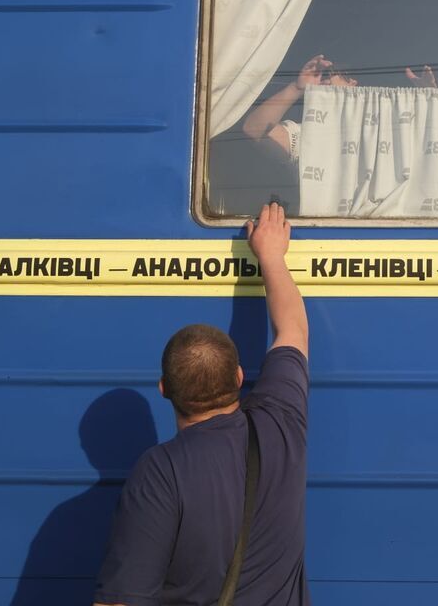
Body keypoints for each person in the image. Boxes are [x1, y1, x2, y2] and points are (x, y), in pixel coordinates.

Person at [93, 202, 310, 606]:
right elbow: (292, 330)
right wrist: (270, 256)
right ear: (240, 378)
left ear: (164, 389)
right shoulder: (280, 425)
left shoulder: (160, 472)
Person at [242, 54, 437, 163]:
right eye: (319, 76)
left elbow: (431, 144)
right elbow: (253, 130)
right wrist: (297, 88)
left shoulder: (383, 127)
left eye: (329, 73)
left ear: (352, 84)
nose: (323, 80)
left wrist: (431, 100)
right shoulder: (306, 134)